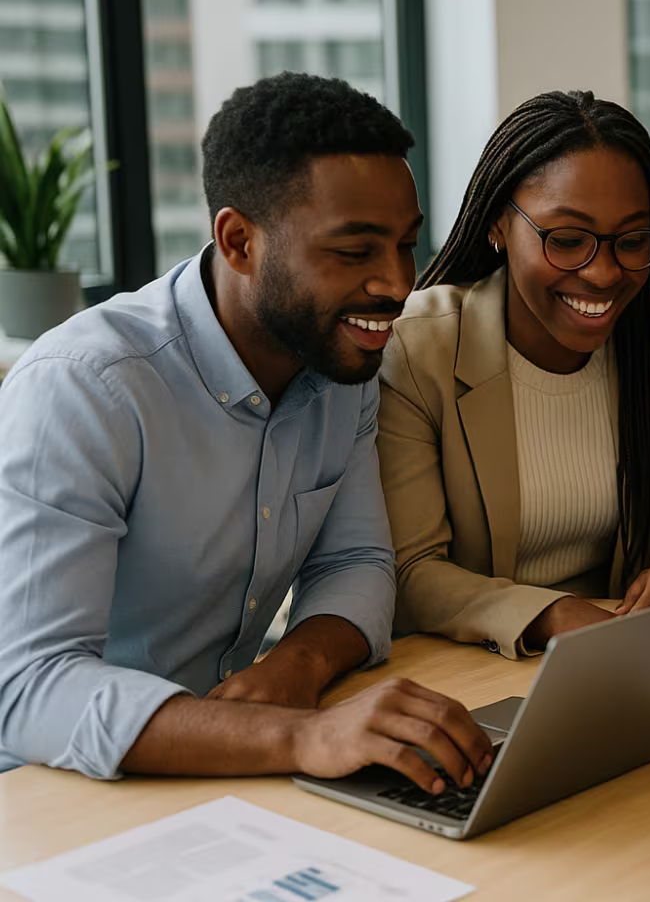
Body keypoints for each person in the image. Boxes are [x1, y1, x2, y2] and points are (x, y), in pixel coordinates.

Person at [0, 73, 492, 797]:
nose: (396, 284)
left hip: (226, 770)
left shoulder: (340, 362)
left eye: (406, 244)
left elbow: (356, 561)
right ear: (238, 241)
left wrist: (298, 667)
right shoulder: (84, 388)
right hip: (59, 792)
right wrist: (303, 735)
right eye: (355, 252)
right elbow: (30, 687)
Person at [377, 91, 650, 658]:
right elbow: (410, 572)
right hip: (474, 665)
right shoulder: (418, 348)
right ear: (497, 224)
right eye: (566, 240)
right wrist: (550, 614)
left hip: (626, 659)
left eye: (633, 240)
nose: (604, 272)